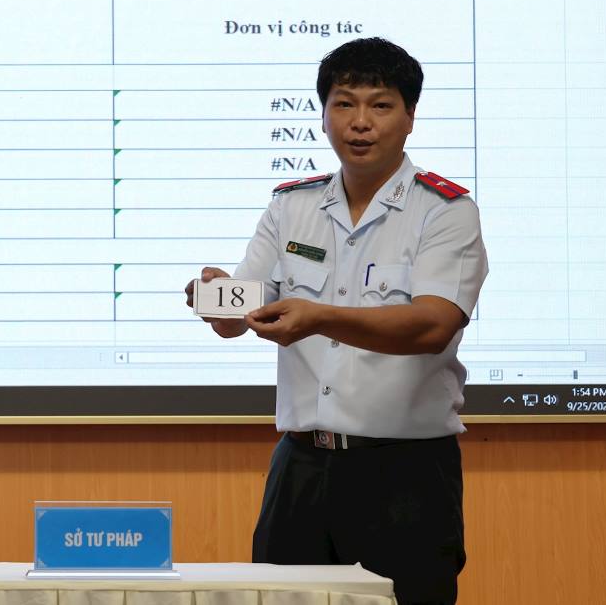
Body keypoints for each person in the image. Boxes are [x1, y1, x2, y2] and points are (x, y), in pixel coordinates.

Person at [185, 38, 487, 605]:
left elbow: (431, 326)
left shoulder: (445, 211)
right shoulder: (290, 206)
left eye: (380, 105)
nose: (360, 123)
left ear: (409, 117)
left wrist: (320, 316)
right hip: (301, 468)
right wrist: (215, 300)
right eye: (344, 104)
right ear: (323, 116)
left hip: (406, 474)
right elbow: (245, 309)